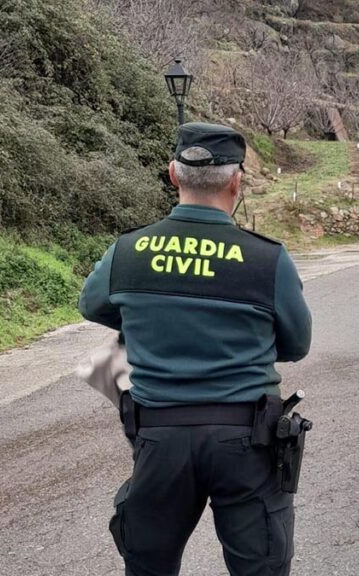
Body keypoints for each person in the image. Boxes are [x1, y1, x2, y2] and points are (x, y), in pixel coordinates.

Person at [78, 122, 312, 576]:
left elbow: (93, 305)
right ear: (236, 181)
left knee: (148, 565)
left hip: (158, 437)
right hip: (246, 442)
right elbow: (296, 344)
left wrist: (154, 325)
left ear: (172, 174)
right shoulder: (267, 259)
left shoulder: (128, 251)